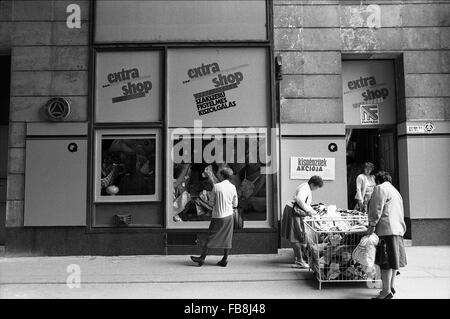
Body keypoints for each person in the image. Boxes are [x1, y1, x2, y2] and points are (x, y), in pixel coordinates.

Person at [367, 171, 407, 299]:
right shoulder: (395, 191)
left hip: (386, 229)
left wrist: (371, 225)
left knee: (385, 262)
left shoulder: (380, 188)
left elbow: (376, 208)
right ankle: (391, 287)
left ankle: (385, 291)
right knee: (393, 261)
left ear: (378, 180)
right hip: (398, 229)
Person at [190, 167, 238, 267]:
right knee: (227, 238)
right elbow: (235, 204)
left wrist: (203, 199)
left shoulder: (216, 187)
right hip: (229, 216)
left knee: (210, 237)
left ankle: (202, 258)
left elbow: (211, 203)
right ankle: (224, 259)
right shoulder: (233, 187)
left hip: (218, 216)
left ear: (221, 175)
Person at [281, 175, 323, 269]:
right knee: (295, 236)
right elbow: (299, 200)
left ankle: (299, 259)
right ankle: (300, 261)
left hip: (292, 210)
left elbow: (304, 203)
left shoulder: (305, 186)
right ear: (313, 184)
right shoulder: (305, 188)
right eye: (316, 187)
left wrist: (312, 211)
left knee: (296, 236)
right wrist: (308, 211)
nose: (316, 189)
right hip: (293, 212)